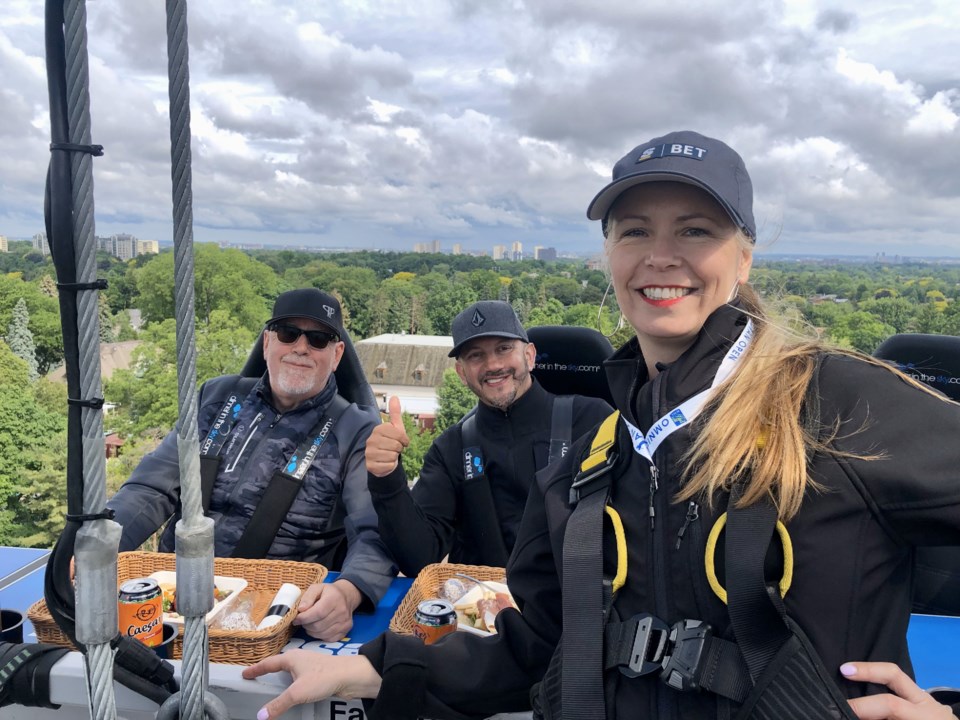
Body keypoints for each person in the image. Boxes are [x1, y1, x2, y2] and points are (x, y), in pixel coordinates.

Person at [244, 132, 960, 719]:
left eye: (696, 230)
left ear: (744, 258)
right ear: (609, 260)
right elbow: (540, 650)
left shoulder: (834, 405)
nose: (661, 255)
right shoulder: (593, 462)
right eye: (634, 231)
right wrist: (358, 672)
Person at [108, 288, 396, 641]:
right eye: (288, 334)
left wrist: (348, 593)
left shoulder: (356, 430)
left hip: (272, 615)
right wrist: (101, 541)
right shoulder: (216, 398)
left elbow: (374, 532)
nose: (301, 347)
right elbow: (152, 487)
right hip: (173, 596)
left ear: (337, 355)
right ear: (267, 344)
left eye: (318, 339)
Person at [365, 300, 613, 576]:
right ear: (461, 373)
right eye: (475, 356)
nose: (493, 364)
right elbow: (417, 557)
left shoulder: (593, 420)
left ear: (530, 356)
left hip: (580, 606)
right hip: (484, 610)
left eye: (504, 349)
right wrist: (386, 478)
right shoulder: (450, 449)